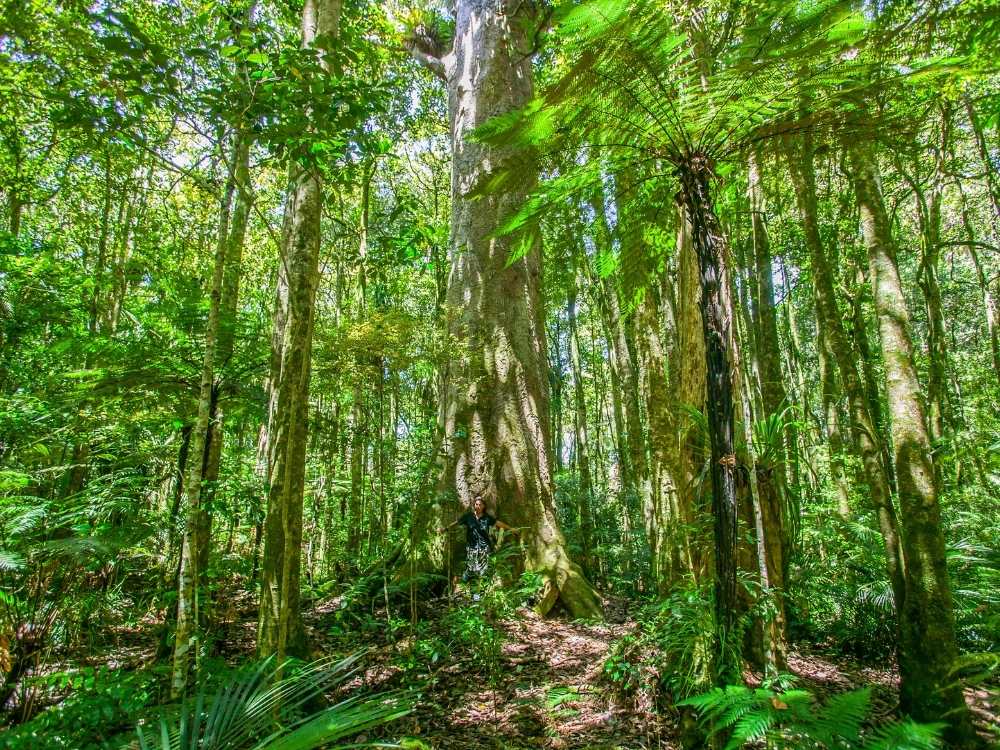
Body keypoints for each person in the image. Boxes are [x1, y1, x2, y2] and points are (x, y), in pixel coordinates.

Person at [442, 496, 518, 591]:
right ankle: (461, 587)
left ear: (484, 506)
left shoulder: (487, 518)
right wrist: (445, 529)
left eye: (480, 505)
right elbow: (456, 522)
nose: (477, 506)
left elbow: (499, 524)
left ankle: (477, 595)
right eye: (476, 504)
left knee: (482, 571)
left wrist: (511, 529)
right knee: (471, 569)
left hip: (484, 548)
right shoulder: (468, 517)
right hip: (472, 548)